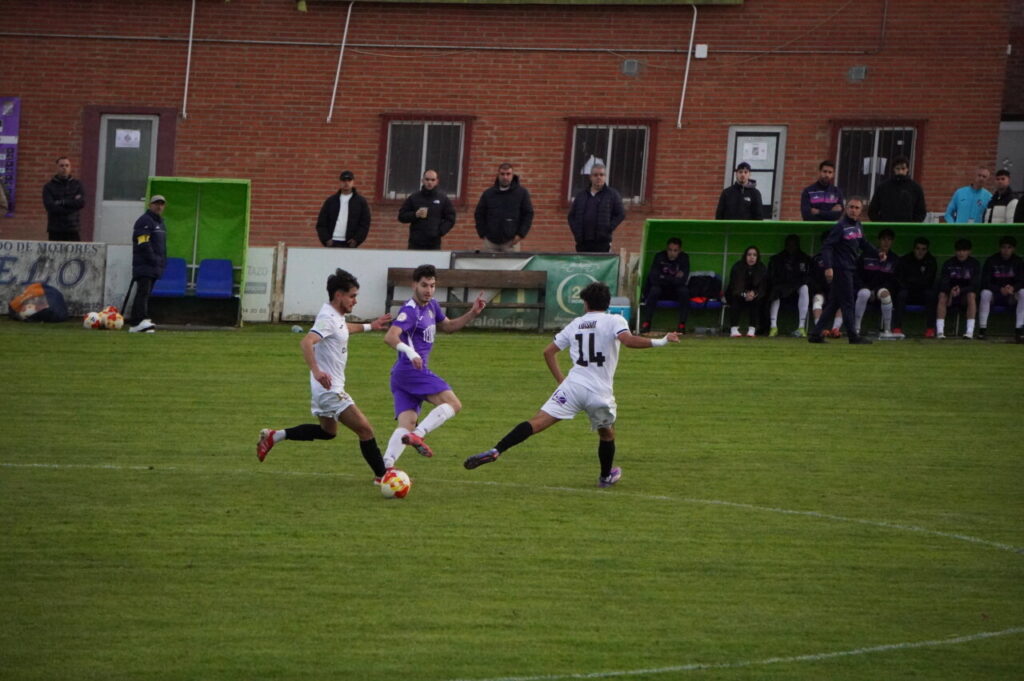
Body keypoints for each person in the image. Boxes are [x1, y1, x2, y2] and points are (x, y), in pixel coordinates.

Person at [462, 281, 679, 487]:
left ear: (586, 303)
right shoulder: (615, 320)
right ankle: (605, 477)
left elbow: (548, 352)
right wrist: (662, 340)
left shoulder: (576, 324)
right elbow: (628, 341)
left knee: (536, 422)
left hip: (572, 387)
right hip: (599, 393)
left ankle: (497, 450)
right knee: (607, 433)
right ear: (607, 303)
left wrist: (562, 382)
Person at [256, 269, 394, 485]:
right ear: (339, 295)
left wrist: (371, 326)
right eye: (352, 296)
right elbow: (306, 342)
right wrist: (317, 371)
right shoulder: (327, 318)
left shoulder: (335, 317)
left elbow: (343, 329)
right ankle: (382, 476)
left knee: (328, 432)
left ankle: (275, 436)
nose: (355, 301)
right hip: (330, 390)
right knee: (365, 429)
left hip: (322, 389)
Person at [382, 264, 487, 468]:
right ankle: (419, 435)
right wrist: (411, 353)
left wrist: (472, 313)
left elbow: (448, 326)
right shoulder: (410, 311)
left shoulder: (432, 306)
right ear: (414, 285)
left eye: (432, 285)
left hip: (401, 376)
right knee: (454, 404)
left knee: (406, 424)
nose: (428, 290)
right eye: (424, 285)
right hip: (412, 371)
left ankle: (385, 469)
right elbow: (390, 337)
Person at [808, 197, 881, 345]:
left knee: (834, 304)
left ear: (861, 211)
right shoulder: (840, 226)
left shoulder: (858, 225)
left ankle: (815, 334)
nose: (853, 210)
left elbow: (863, 243)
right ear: (846, 209)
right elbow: (827, 246)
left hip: (850, 268)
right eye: (851, 207)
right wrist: (828, 267)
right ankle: (853, 336)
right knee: (848, 303)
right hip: (841, 269)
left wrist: (878, 253)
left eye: (857, 208)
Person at [127, 195, 168, 334]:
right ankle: (139, 320)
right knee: (143, 292)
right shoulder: (144, 221)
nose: (159, 206)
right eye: (156, 203)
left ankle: (138, 321)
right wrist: (154, 259)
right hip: (144, 264)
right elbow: (143, 242)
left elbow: (161, 245)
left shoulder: (160, 223)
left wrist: (162, 261)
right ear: (150, 205)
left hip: (154, 265)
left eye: (161, 204)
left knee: (145, 293)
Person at [474, 162, 534, 252]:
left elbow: (528, 214)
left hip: (511, 242)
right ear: (498, 175)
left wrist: (521, 234)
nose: (505, 177)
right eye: (502, 174)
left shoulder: (521, 193)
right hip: (490, 242)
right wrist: (482, 233)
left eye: (508, 174)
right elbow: (479, 213)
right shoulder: (488, 194)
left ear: (512, 175)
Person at [853, 228, 902, 339]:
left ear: (892, 242)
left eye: (889, 240)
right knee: (864, 294)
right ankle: (856, 329)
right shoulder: (866, 255)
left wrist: (876, 291)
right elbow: (856, 274)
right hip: (865, 288)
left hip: (881, 289)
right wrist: (864, 287)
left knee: (885, 295)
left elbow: (895, 280)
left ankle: (887, 330)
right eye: (884, 239)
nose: (886, 242)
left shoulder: (894, 259)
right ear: (879, 240)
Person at [567, 163, 625, 253]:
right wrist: (576, 231)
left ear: (605, 177)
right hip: (583, 242)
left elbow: (621, 214)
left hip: (602, 242)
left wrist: (608, 228)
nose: (598, 177)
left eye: (601, 175)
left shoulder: (612, 195)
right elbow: (571, 216)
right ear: (590, 177)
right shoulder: (581, 195)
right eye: (595, 175)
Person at [977, 236, 1024, 341]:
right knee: (985, 293)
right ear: (1000, 248)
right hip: (995, 294)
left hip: (1012, 295)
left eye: (1009, 247)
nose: (1006, 250)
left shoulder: (1018, 261)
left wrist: (1013, 288)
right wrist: (999, 289)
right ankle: (982, 330)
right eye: (1003, 247)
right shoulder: (991, 260)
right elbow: (985, 282)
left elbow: (1021, 281)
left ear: (1013, 249)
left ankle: (1019, 331)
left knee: (1023, 293)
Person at [639, 237, 690, 334]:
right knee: (654, 290)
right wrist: (674, 278)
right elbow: (653, 278)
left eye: (675, 250)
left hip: (675, 291)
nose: (672, 253)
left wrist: (663, 277)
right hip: (661, 289)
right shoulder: (659, 256)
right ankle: (646, 323)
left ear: (680, 251)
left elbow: (683, 280)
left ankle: (682, 325)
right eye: (670, 250)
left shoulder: (684, 258)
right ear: (667, 249)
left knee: (684, 291)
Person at [398, 170, 456, 250]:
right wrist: (415, 215)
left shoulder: (442, 199)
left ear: (437, 182)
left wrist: (439, 231)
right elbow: (401, 216)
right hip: (415, 242)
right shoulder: (414, 198)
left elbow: (450, 218)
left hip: (433, 243)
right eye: (427, 179)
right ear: (422, 180)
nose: (429, 182)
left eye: (432, 180)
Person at [935, 238, 981, 339]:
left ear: (969, 251)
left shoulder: (974, 264)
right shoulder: (948, 263)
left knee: (971, 295)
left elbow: (975, 285)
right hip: (950, 294)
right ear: (955, 251)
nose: (961, 253)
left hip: (966, 294)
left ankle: (969, 331)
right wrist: (950, 291)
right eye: (959, 250)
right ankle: (940, 331)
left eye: (964, 250)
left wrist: (961, 290)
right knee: (942, 295)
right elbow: (943, 282)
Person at [767, 234, 812, 337]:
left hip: (797, 287)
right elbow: (773, 277)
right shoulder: (778, 259)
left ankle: (801, 327)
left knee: (804, 288)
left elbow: (807, 277)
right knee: (775, 291)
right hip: (782, 287)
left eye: (794, 244)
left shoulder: (804, 258)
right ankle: (773, 327)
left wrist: (794, 286)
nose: (791, 247)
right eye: (789, 244)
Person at [894, 236, 938, 338]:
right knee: (901, 295)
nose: (920, 252)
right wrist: (913, 283)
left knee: (931, 295)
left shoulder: (931, 261)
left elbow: (929, 281)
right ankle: (897, 328)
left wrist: (913, 281)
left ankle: (930, 329)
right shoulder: (905, 260)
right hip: (908, 291)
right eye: (918, 249)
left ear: (927, 250)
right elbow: (900, 279)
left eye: (923, 249)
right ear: (914, 249)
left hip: (923, 292)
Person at [315, 170, 371, 248]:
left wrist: (356, 240)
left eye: (349, 180)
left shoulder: (361, 202)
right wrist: (326, 239)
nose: (346, 183)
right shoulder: (331, 201)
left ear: (353, 182)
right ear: (340, 182)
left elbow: (365, 223)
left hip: (350, 243)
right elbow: (321, 222)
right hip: (332, 242)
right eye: (344, 180)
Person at [867, 156, 927, 223]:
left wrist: (912, 225)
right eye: (897, 169)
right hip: (887, 228)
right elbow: (872, 211)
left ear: (907, 169)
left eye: (903, 168)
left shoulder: (916, 188)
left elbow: (921, 212)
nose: (900, 172)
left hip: (907, 228)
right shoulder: (883, 188)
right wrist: (882, 224)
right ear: (893, 169)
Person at [42, 156, 86, 241]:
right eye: (61, 165)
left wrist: (62, 202)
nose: (64, 168)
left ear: (70, 167)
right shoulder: (48, 187)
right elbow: (50, 206)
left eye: (67, 165)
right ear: (56, 167)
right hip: (55, 229)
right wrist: (71, 205)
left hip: (73, 228)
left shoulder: (77, 185)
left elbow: (81, 203)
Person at [727, 246, 767, 338]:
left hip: (754, 295)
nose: (751, 257)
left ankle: (752, 329)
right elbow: (735, 286)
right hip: (738, 294)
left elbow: (762, 286)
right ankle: (734, 329)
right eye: (749, 255)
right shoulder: (738, 267)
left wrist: (753, 294)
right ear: (745, 256)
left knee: (757, 301)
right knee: (735, 300)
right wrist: (745, 294)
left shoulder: (761, 268)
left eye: (754, 255)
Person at [810, 231, 844, 337]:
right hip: (821, 291)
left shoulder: (841, 259)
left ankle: (835, 329)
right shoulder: (816, 259)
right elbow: (811, 278)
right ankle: (820, 329)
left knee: (843, 300)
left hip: (836, 290)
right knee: (817, 301)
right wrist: (818, 289)